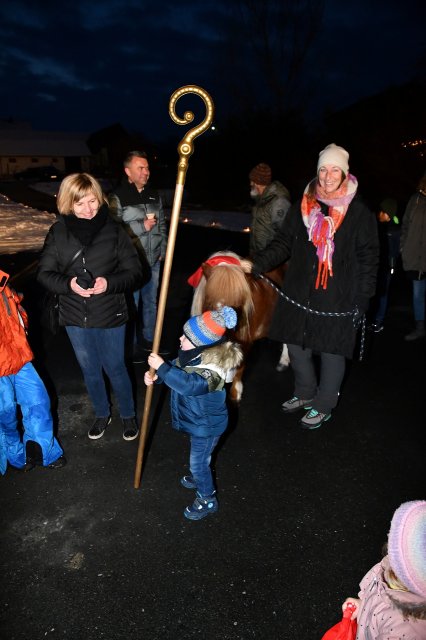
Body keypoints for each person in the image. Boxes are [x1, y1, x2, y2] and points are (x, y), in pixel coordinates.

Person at [241, 144, 379, 429]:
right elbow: (282, 243)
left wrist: (363, 297)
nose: (328, 176)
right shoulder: (304, 205)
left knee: (331, 350)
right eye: (323, 169)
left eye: (334, 169)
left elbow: (369, 258)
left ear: (345, 173)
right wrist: (257, 264)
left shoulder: (359, 212)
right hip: (299, 290)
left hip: (338, 295)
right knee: (296, 345)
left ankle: (324, 403)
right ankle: (304, 393)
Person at [37, 173, 143, 441]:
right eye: (80, 203)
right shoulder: (58, 232)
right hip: (75, 315)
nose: (88, 209)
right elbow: (45, 274)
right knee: (89, 369)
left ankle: (128, 414)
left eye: (93, 201)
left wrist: (109, 283)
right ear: (67, 204)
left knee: (115, 366)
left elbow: (136, 272)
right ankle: (101, 413)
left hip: (110, 311)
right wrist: (69, 284)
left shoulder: (114, 230)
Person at [144, 306, 243, 521]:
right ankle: (199, 475)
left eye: (186, 337)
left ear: (201, 344)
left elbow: (189, 385)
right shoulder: (194, 355)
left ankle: (207, 498)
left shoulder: (213, 371)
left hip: (207, 427)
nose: (180, 338)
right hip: (197, 421)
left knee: (199, 462)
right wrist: (157, 376)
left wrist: (162, 368)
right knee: (199, 458)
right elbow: (175, 368)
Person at [0, 269, 65, 473]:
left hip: (19, 357)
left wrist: (23, 330)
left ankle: (41, 452)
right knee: (5, 414)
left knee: (38, 402)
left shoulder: (3, 281)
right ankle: (15, 455)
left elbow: (17, 311)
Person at [110, 151, 168, 360]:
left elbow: (161, 223)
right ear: (128, 171)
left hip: (153, 260)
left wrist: (164, 249)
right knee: (132, 304)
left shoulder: (154, 195)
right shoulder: (117, 196)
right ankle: (131, 345)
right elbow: (112, 230)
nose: (146, 172)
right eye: (140, 168)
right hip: (131, 262)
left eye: (147, 168)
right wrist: (140, 226)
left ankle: (151, 343)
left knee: (151, 302)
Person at [342, 500, 426, 639]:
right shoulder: (390, 566)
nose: (388, 548)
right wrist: (363, 605)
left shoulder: (404, 631)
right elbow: (378, 592)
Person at [368, 197, 401, 333]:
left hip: (386, 268)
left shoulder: (393, 230)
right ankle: (372, 318)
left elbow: (394, 252)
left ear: (388, 213)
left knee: (383, 294)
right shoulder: (382, 227)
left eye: (382, 212)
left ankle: (378, 321)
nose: (379, 214)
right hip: (379, 267)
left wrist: (392, 268)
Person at [400, 174, 426, 341]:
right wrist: (403, 246)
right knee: (418, 294)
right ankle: (420, 327)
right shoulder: (415, 200)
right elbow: (405, 224)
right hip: (416, 257)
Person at [248, 162, 291, 255]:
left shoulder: (279, 202)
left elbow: (286, 234)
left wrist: (271, 256)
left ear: (258, 183)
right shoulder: (261, 200)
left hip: (271, 261)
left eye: (252, 181)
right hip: (258, 257)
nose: (250, 183)